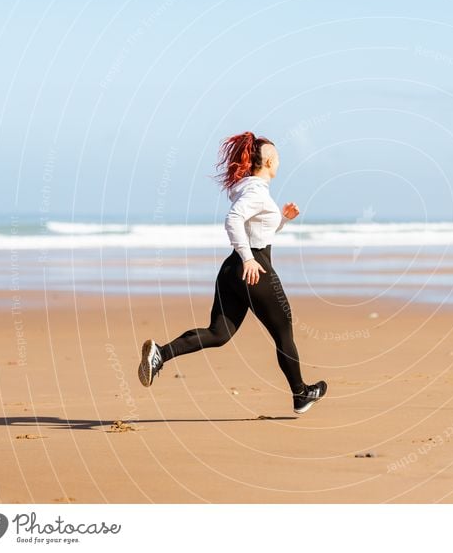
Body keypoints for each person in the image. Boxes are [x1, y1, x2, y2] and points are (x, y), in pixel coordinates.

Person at [138, 131, 327, 414]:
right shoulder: (255, 192)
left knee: (219, 332)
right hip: (254, 270)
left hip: (231, 270)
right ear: (269, 161)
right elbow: (234, 220)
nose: (279, 162)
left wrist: (283, 220)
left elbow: (256, 229)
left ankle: (160, 354)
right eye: (277, 157)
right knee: (283, 331)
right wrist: (249, 260)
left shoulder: (249, 188)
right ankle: (301, 394)